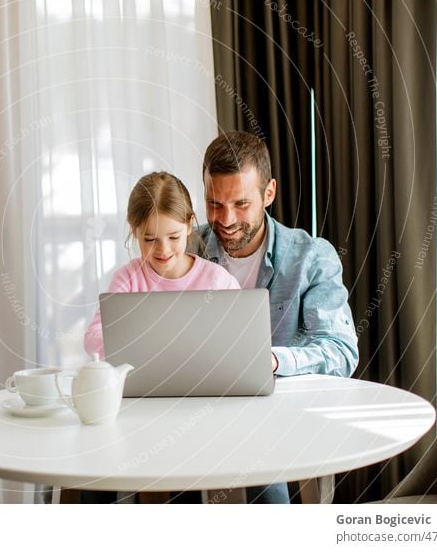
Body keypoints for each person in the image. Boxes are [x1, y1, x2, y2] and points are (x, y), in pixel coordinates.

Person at [198, 131, 359, 503]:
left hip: (274, 422)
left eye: (241, 204)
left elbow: (340, 351)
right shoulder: (182, 249)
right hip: (193, 415)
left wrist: (272, 360)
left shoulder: (310, 257)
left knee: (266, 490)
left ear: (268, 193)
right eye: (214, 204)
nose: (226, 220)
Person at [84, 170, 239, 361]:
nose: (163, 250)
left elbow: (242, 336)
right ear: (135, 231)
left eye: (174, 237)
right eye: (150, 239)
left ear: (190, 225)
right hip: (143, 385)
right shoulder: (129, 280)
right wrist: (131, 339)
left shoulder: (217, 280)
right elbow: (92, 337)